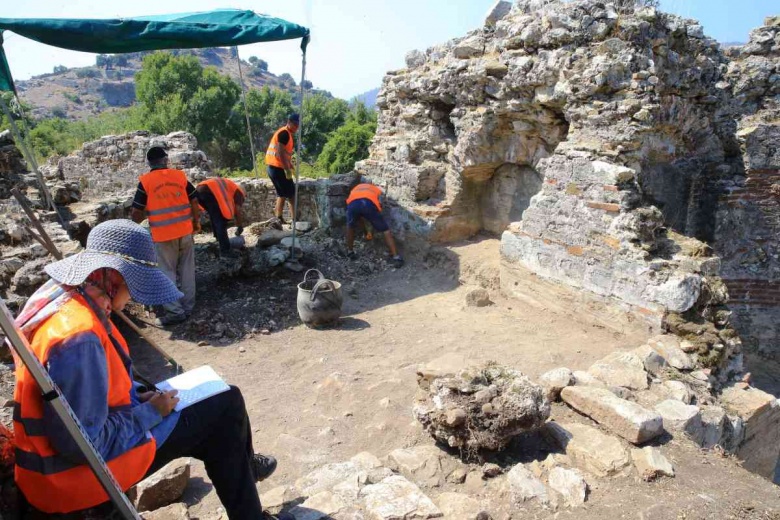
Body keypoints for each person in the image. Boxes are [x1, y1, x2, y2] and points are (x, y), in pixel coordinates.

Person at [12, 220, 281, 519]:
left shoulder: (66, 297)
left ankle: (242, 465)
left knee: (222, 407)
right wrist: (153, 412)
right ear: (111, 277)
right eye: (133, 286)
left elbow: (88, 394)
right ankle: (245, 483)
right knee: (225, 406)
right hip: (73, 478)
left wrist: (138, 393)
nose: (133, 299)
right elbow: (85, 445)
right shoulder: (80, 338)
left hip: (54, 470)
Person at [131, 146, 200, 326]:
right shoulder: (179, 176)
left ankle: (176, 312)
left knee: (167, 272)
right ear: (166, 160)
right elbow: (194, 199)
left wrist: (139, 223)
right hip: (185, 231)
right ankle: (188, 307)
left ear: (149, 164)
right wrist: (196, 221)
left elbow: (136, 211)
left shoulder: (146, 182)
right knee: (187, 269)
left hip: (163, 235)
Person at [346, 182, 404, 268]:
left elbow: (359, 217)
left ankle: (350, 252)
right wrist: (376, 225)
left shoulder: (355, 188)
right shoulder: (376, 189)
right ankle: (396, 257)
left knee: (350, 227)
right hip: (368, 204)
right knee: (385, 230)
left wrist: (366, 232)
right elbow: (378, 208)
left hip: (353, 205)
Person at [196, 177, 246, 259]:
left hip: (200, 190)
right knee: (220, 221)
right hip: (209, 191)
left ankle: (218, 239)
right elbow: (238, 210)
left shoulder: (231, 188)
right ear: (244, 194)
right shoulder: (239, 193)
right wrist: (240, 225)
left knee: (215, 215)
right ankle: (225, 251)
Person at [265, 113, 299, 225]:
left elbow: (284, 152)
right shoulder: (284, 133)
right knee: (291, 194)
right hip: (277, 168)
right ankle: (294, 220)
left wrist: (290, 164)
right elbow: (279, 152)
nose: (296, 127)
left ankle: (278, 218)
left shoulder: (286, 133)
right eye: (295, 124)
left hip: (273, 167)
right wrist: (287, 169)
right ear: (289, 122)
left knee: (282, 193)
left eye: (298, 125)